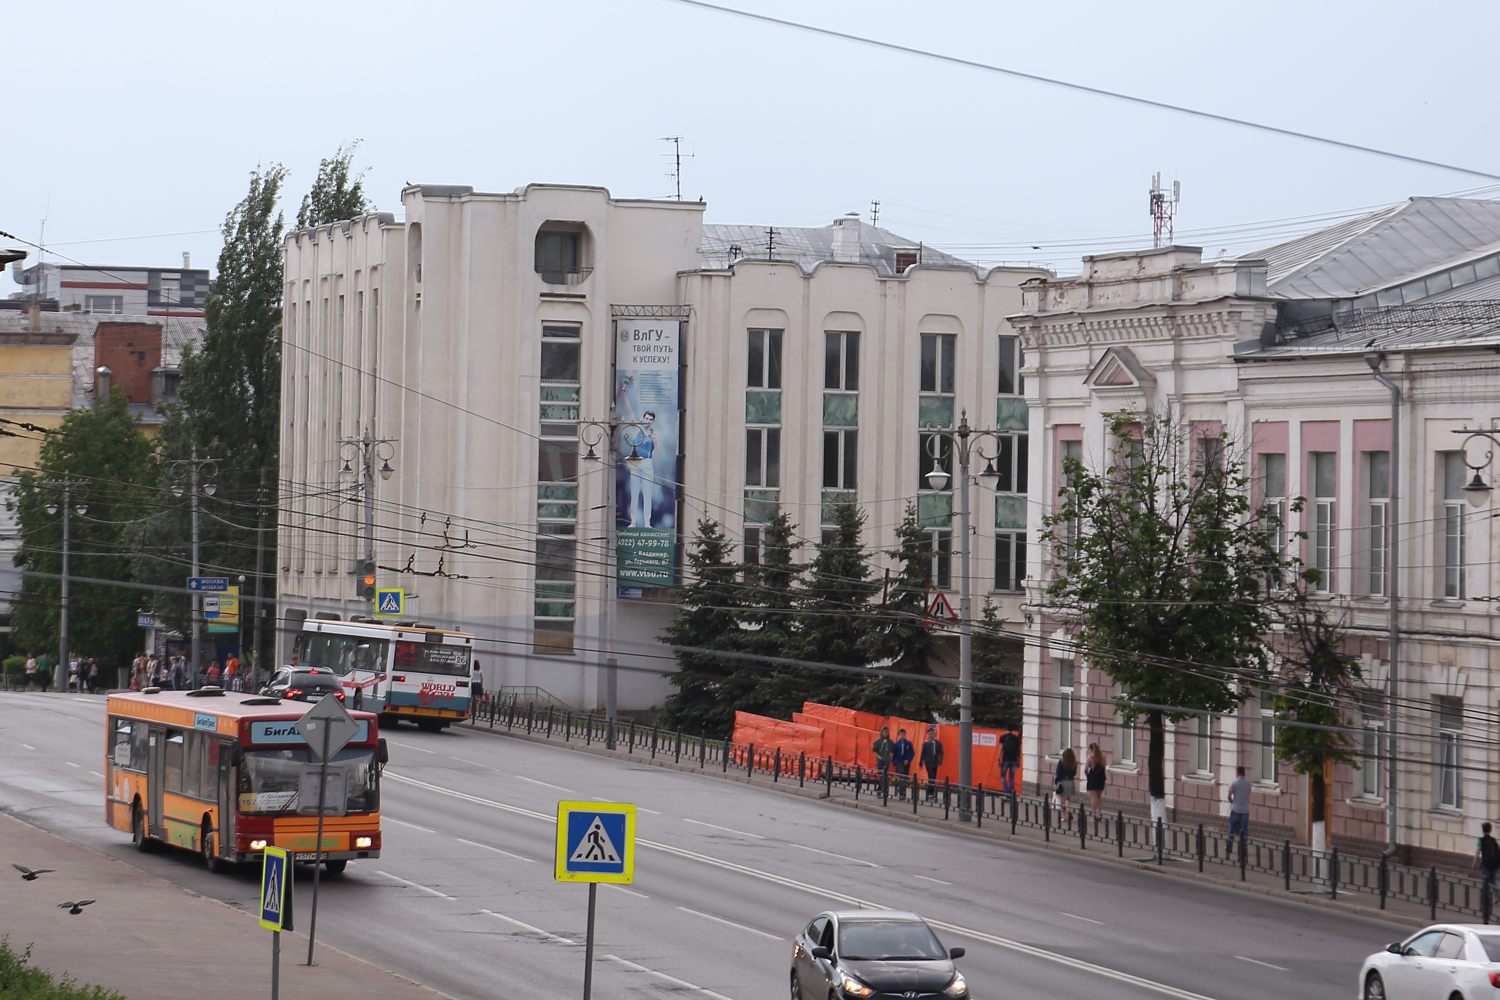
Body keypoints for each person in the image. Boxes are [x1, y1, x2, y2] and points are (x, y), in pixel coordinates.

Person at [1227, 765, 1252, 858]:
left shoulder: (1234, 783)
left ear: (1237, 773)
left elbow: (1229, 796)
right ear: (1244, 773)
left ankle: (1229, 846)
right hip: (1245, 809)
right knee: (1244, 829)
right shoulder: (1248, 784)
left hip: (1235, 809)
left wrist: (1232, 802)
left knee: (1232, 828)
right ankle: (1243, 847)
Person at [1474, 822, 1500, 905]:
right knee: (1492, 879)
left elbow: (1478, 852)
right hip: (1494, 864)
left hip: (1485, 864)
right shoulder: (1494, 840)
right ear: (1490, 830)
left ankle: (1486, 897)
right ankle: (1495, 892)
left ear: (1482, 830)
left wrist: (1474, 864)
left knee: (1485, 880)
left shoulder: (1481, 840)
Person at [920, 725, 944, 803]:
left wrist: (940, 760)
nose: (931, 735)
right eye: (929, 734)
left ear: (934, 733)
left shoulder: (938, 743)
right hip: (928, 762)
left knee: (933, 778)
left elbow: (941, 752)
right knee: (931, 776)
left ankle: (931, 792)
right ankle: (930, 793)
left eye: (932, 733)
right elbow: (923, 753)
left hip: (935, 762)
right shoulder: (926, 743)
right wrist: (921, 762)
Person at [892, 728, 915, 801]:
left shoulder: (909, 743)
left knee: (905, 778)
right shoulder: (896, 744)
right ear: (899, 735)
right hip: (899, 763)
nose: (902, 736)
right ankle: (901, 794)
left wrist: (908, 760)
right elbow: (893, 754)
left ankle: (902, 792)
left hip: (906, 763)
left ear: (905, 735)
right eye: (901, 734)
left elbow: (912, 753)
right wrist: (894, 764)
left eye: (903, 734)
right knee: (902, 776)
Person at [872, 726, 894, 797]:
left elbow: (892, 751)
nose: (886, 734)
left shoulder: (890, 742)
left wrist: (890, 757)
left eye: (887, 732)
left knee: (884, 776)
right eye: (885, 732)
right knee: (882, 774)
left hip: (887, 761)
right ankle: (881, 790)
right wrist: (879, 757)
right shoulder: (878, 741)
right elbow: (874, 750)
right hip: (880, 761)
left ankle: (881, 790)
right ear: (882, 732)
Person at [1085, 742, 1107, 811]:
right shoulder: (1102, 758)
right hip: (1101, 779)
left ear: (1091, 749)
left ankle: (1094, 814)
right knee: (1099, 797)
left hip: (1093, 778)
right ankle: (1099, 813)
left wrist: (1088, 776)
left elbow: (1086, 769)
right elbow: (1103, 768)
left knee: (1094, 797)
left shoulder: (1090, 758)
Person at [999, 729, 1021, 796]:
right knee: (1011, 778)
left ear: (1006, 728)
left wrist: (999, 759)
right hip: (1014, 760)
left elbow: (1001, 748)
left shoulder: (1003, 737)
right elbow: (1019, 750)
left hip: (1005, 759)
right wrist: (1018, 761)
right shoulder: (1016, 738)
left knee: (1003, 777)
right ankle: (1012, 794)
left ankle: (1006, 791)